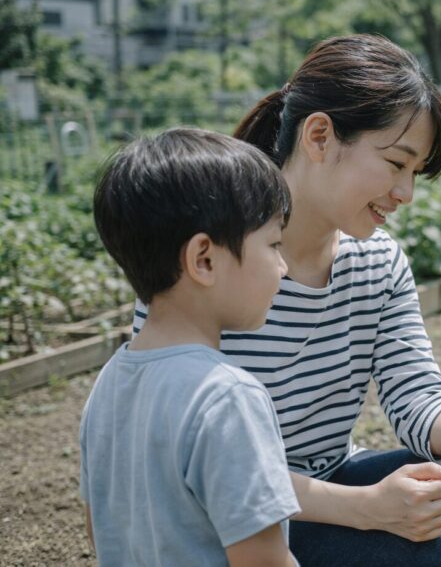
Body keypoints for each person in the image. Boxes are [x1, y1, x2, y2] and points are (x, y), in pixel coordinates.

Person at [132, 34, 441, 567]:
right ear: (319, 136)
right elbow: (195, 465)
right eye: (396, 163)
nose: (406, 192)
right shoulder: (210, 261)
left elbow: (417, 403)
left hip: (321, 484)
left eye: (416, 173)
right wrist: (365, 509)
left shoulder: (376, 262)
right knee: (398, 546)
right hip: (224, 519)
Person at [81, 129, 300, 566]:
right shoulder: (227, 397)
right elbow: (263, 560)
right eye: (274, 244)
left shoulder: (107, 385)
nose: (284, 265)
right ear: (204, 259)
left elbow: (99, 529)